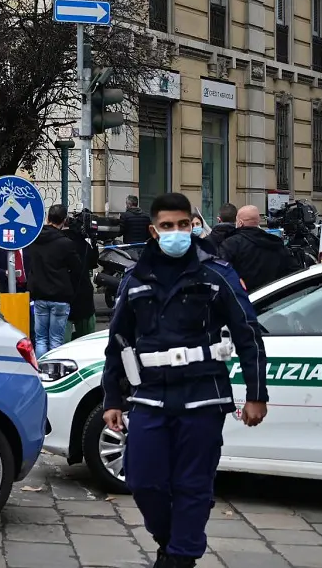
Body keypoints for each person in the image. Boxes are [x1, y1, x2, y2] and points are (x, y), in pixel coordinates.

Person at [103, 192, 268, 568]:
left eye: (183, 225)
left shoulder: (216, 272)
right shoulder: (135, 277)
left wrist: (256, 394)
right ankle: (171, 541)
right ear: (153, 230)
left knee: (192, 484)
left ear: (194, 226)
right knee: (143, 481)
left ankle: (180, 558)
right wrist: (113, 397)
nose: (176, 232)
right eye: (167, 226)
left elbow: (247, 333)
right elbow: (118, 341)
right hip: (150, 396)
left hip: (202, 395)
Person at [24, 204, 84, 358]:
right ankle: (54, 374)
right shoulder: (66, 243)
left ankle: (41, 370)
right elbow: (77, 268)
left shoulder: (34, 240)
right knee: (56, 340)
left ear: (47, 218)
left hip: (39, 295)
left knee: (40, 339)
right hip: (60, 296)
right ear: (64, 221)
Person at [219, 205, 300, 293]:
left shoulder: (231, 244)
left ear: (240, 223)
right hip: (274, 299)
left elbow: (222, 275)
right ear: (258, 222)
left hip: (245, 300)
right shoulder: (274, 242)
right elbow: (294, 272)